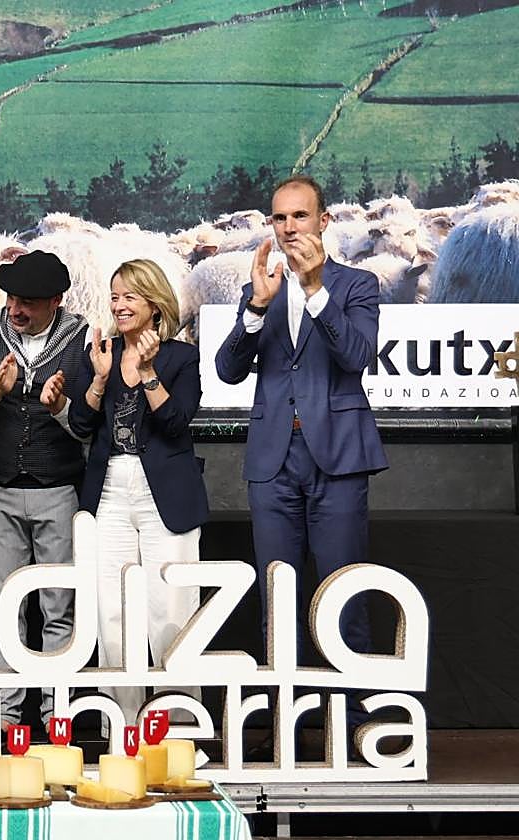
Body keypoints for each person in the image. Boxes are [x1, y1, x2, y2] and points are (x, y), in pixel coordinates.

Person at [214, 175, 387, 754]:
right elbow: (229, 370)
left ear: (323, 221)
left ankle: (357, 722)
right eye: (279, 219)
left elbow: (357, 355)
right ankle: (284, 725)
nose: (289, 228)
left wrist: (314, 289)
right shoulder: (258, 287)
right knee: (276, 599)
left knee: (343, 594)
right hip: (272, 462)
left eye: (299, 217)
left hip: (337, 459)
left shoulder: (357, 284)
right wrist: (257, 310)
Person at [69, 259, 208, 727]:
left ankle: (178, 730)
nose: (119, 304)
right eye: (114, 296)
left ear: (154, 304)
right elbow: (83, 427)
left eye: (130, 296)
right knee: (111, 613)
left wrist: (148, 373)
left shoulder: (181, 358)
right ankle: (122, 727)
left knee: (171, 610)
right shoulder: (101, 351)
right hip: (108, 492)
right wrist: (100, 381)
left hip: (162, 495)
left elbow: (174, 423)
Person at [0, 250, 89, 734]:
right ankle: (5, 718)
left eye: (29, 302)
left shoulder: (85, 337)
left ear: (56, 300)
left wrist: (60, 406)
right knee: (3, 605)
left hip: (59, 488)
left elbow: (91, 426)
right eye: (12, 298)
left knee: (59, 605)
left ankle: (58, 717)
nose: (16, 309)